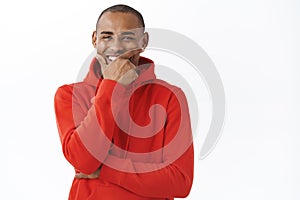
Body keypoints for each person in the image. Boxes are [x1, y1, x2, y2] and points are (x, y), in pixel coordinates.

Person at [54, 4, 194, 200]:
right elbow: (85, 162)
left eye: (127, 37)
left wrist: (105, 170)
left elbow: (180, 182)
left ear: (143, 41)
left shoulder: (171, 96)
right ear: (95, 39)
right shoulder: (70, 95)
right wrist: (111, 87)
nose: (117, 46)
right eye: (107, 36)